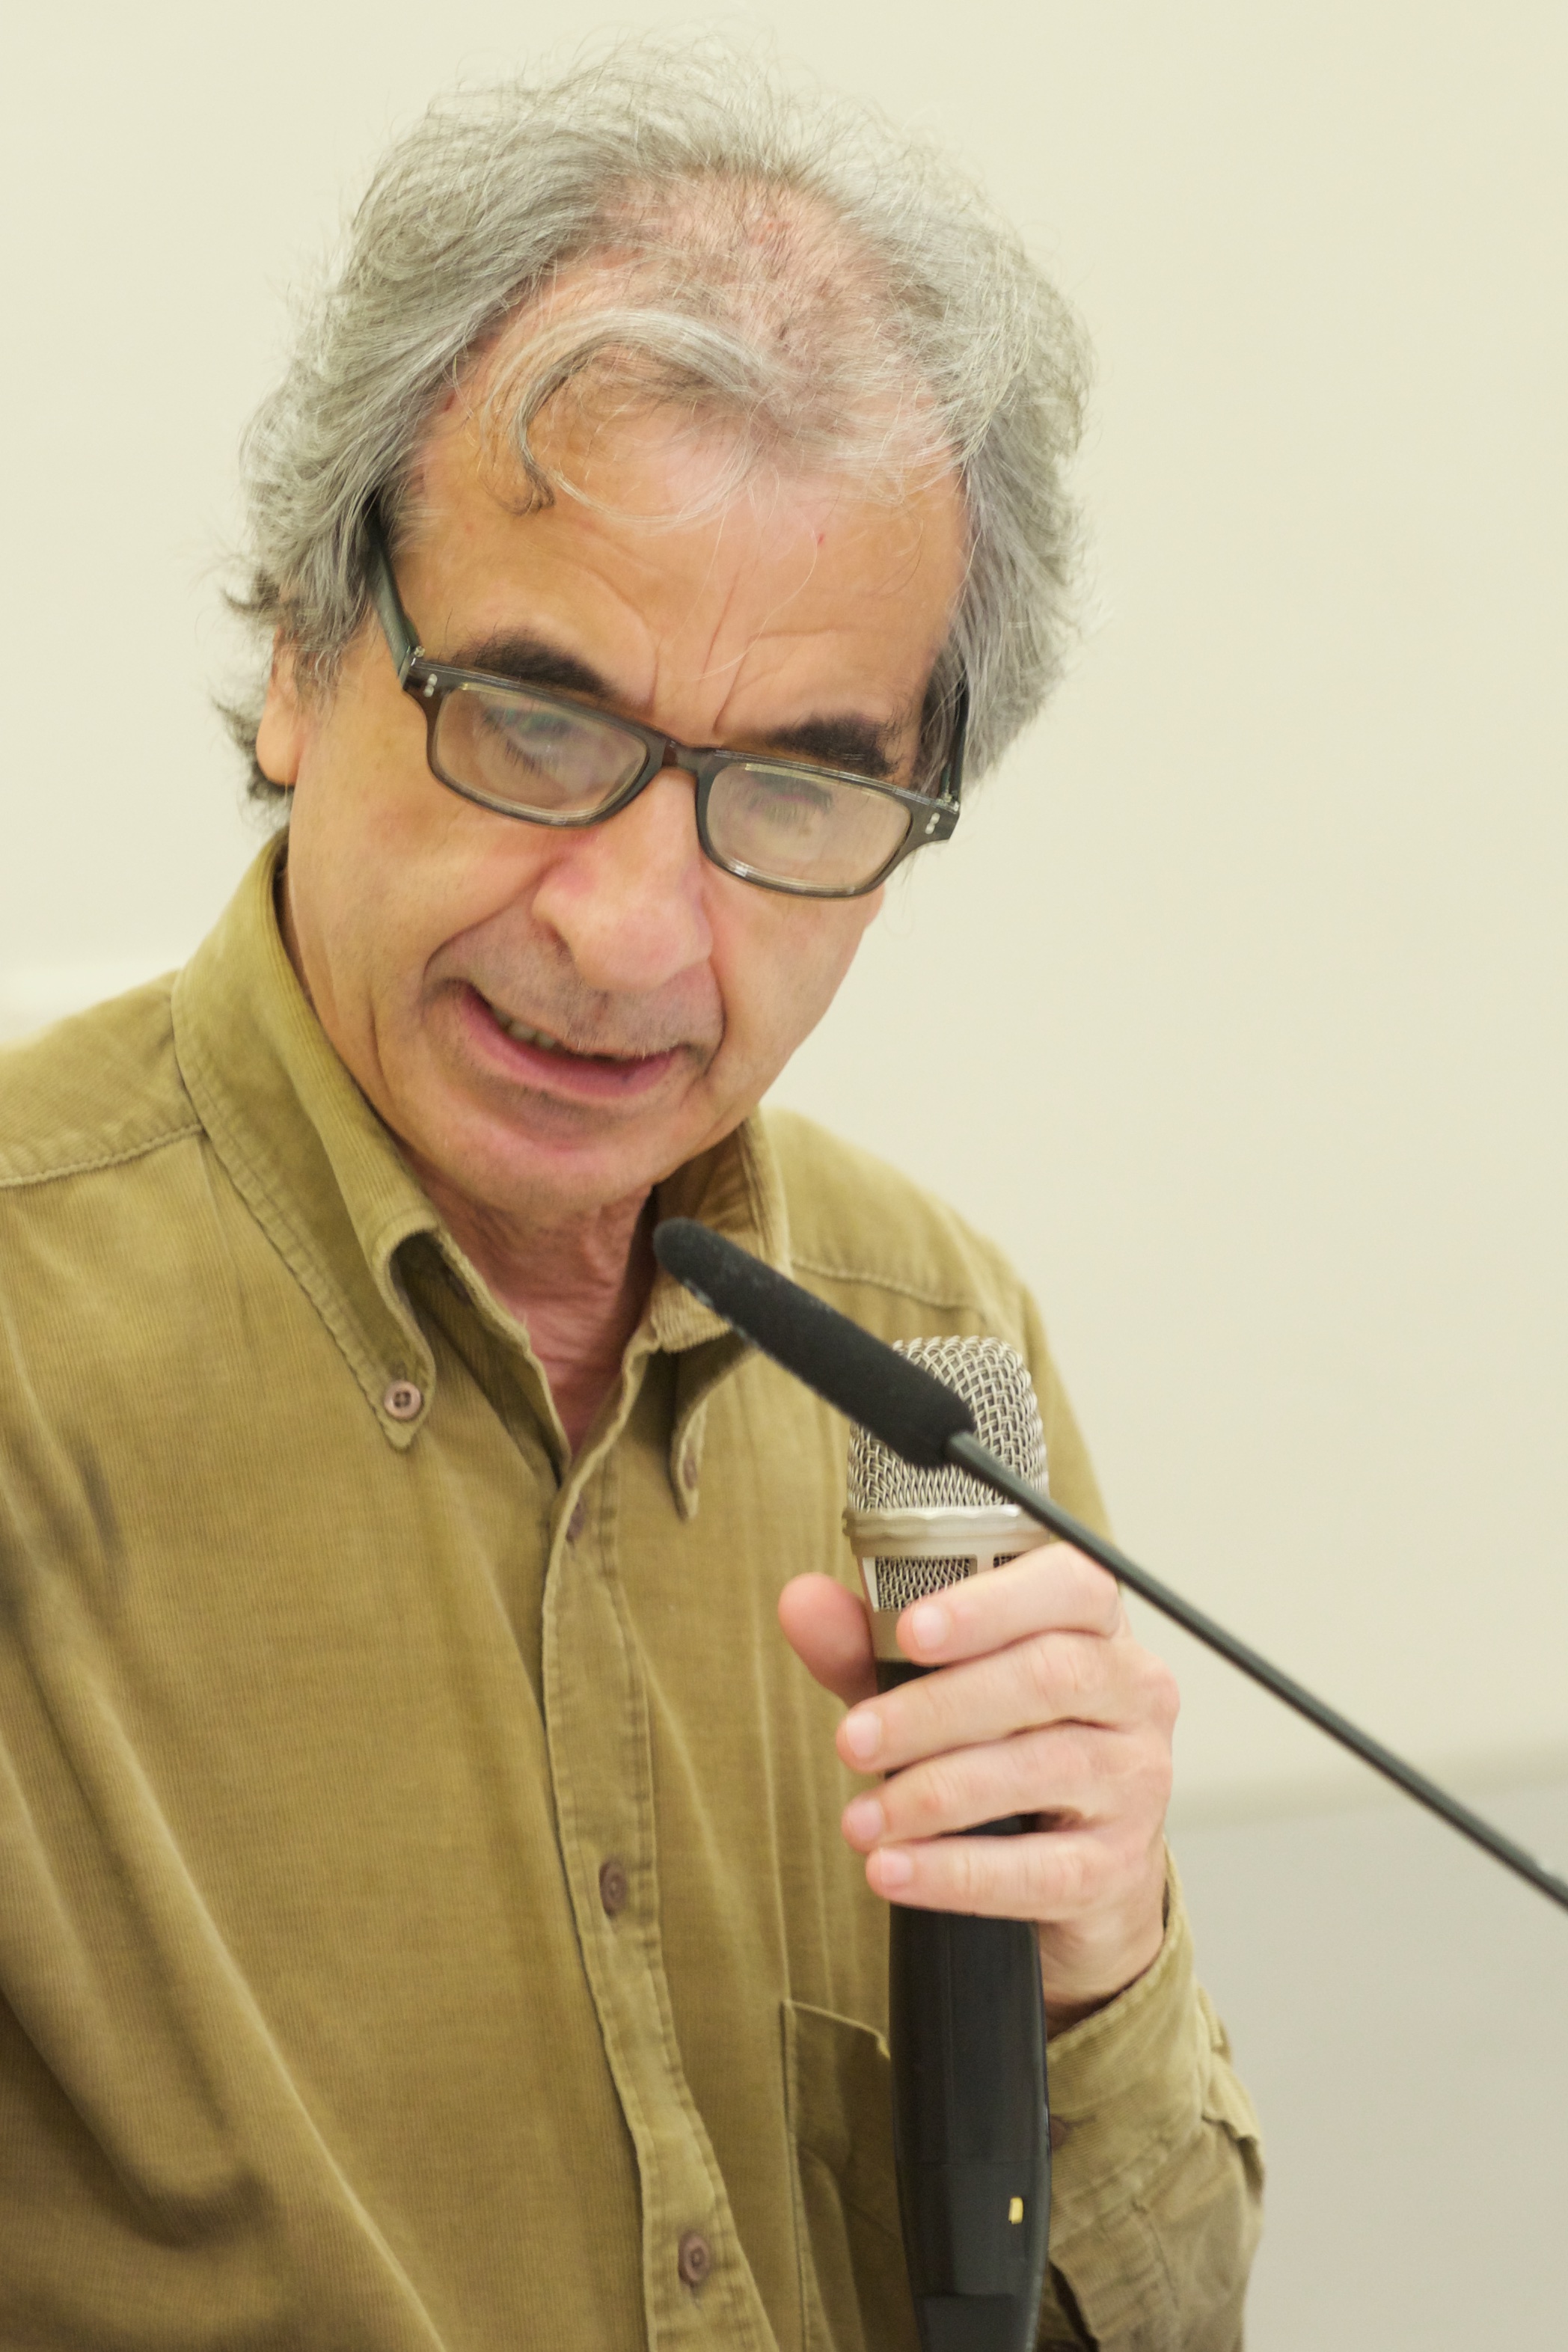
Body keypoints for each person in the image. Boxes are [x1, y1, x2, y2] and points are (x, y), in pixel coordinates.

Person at [0, 45, 1261, 2351]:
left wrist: (1100, 1977)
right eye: (539, 723)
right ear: (298, 655)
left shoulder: (925, 1345)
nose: (630, 933)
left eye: (795, 788)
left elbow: (1161, 2322)